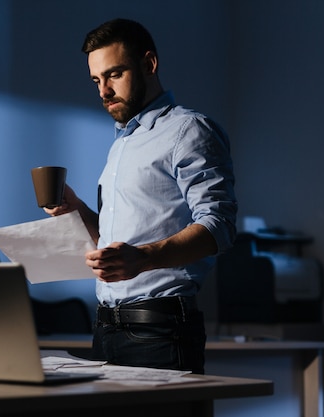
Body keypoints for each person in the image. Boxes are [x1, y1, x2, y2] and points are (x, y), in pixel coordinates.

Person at [44, 18, 237, 373]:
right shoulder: (122, 143)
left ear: (149, 64)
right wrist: (77, 210)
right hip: (105, 327)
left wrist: (143, 259)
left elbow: (220, 226)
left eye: (114, 74)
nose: (103, 91)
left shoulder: (188, 130)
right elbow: (116, 243)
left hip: (159, 330)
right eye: (96, 80)